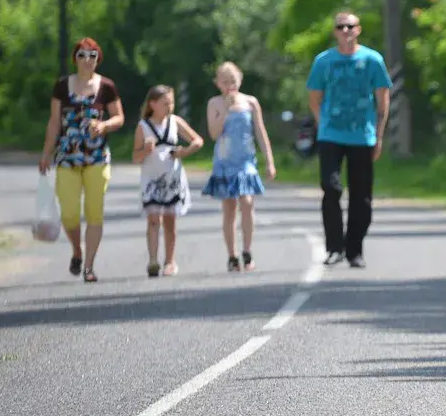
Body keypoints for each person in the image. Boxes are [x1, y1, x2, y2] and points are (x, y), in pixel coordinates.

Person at [306, 11, 392, 270]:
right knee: (331, 188)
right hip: (331, 135)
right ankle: (334, 248)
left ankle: (355, 249)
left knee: (361, 195)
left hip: (362, 135)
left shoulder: (372, 60)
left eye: (350, 26)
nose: (345, 31)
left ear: (358, 30)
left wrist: (379, 133)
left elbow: (383, 98)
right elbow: (314, 97)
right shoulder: (324, 61)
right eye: (341, 27)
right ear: (334, 32)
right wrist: (323, 126)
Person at [39, 37, 125, 283]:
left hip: (97, 157)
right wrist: (46, 153)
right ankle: (77, 250)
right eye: (82, 55)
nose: (87, 60)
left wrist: (105, 125)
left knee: (95, 213)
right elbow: (54, 122)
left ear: (98, 59)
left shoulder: (106, 86)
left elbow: (119, 117)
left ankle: (89, 266)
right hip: (67, 156)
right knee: (69, 214)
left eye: (92, 55)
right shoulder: (62, 86)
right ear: (74, 58)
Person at [203, 62, 276, 272]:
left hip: (246, 161)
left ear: (240, 80)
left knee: (247, 201)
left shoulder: (251, 102)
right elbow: (214, 134)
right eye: (225, 82)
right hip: (225, 161)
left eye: (233, 81)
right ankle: (232, 255)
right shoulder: (215, 104)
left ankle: (247, 250)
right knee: (229, 209)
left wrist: (269, 161)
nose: (229, 86)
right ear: (217, 84)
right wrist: (225, 109)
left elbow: (260, 132)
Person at [132, 84, 204, 277]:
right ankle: (153, 260)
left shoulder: (175, 122)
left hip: (172, 178)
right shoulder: (143, 126)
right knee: (153, 219)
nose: (169, 106)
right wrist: (145, 151)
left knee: (170, 221)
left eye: (171, 102)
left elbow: (197, 140)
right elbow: (135, 157)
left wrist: (184, 151)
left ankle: (170, 261)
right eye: (165, 103)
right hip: (152, 178)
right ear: (152, 104)